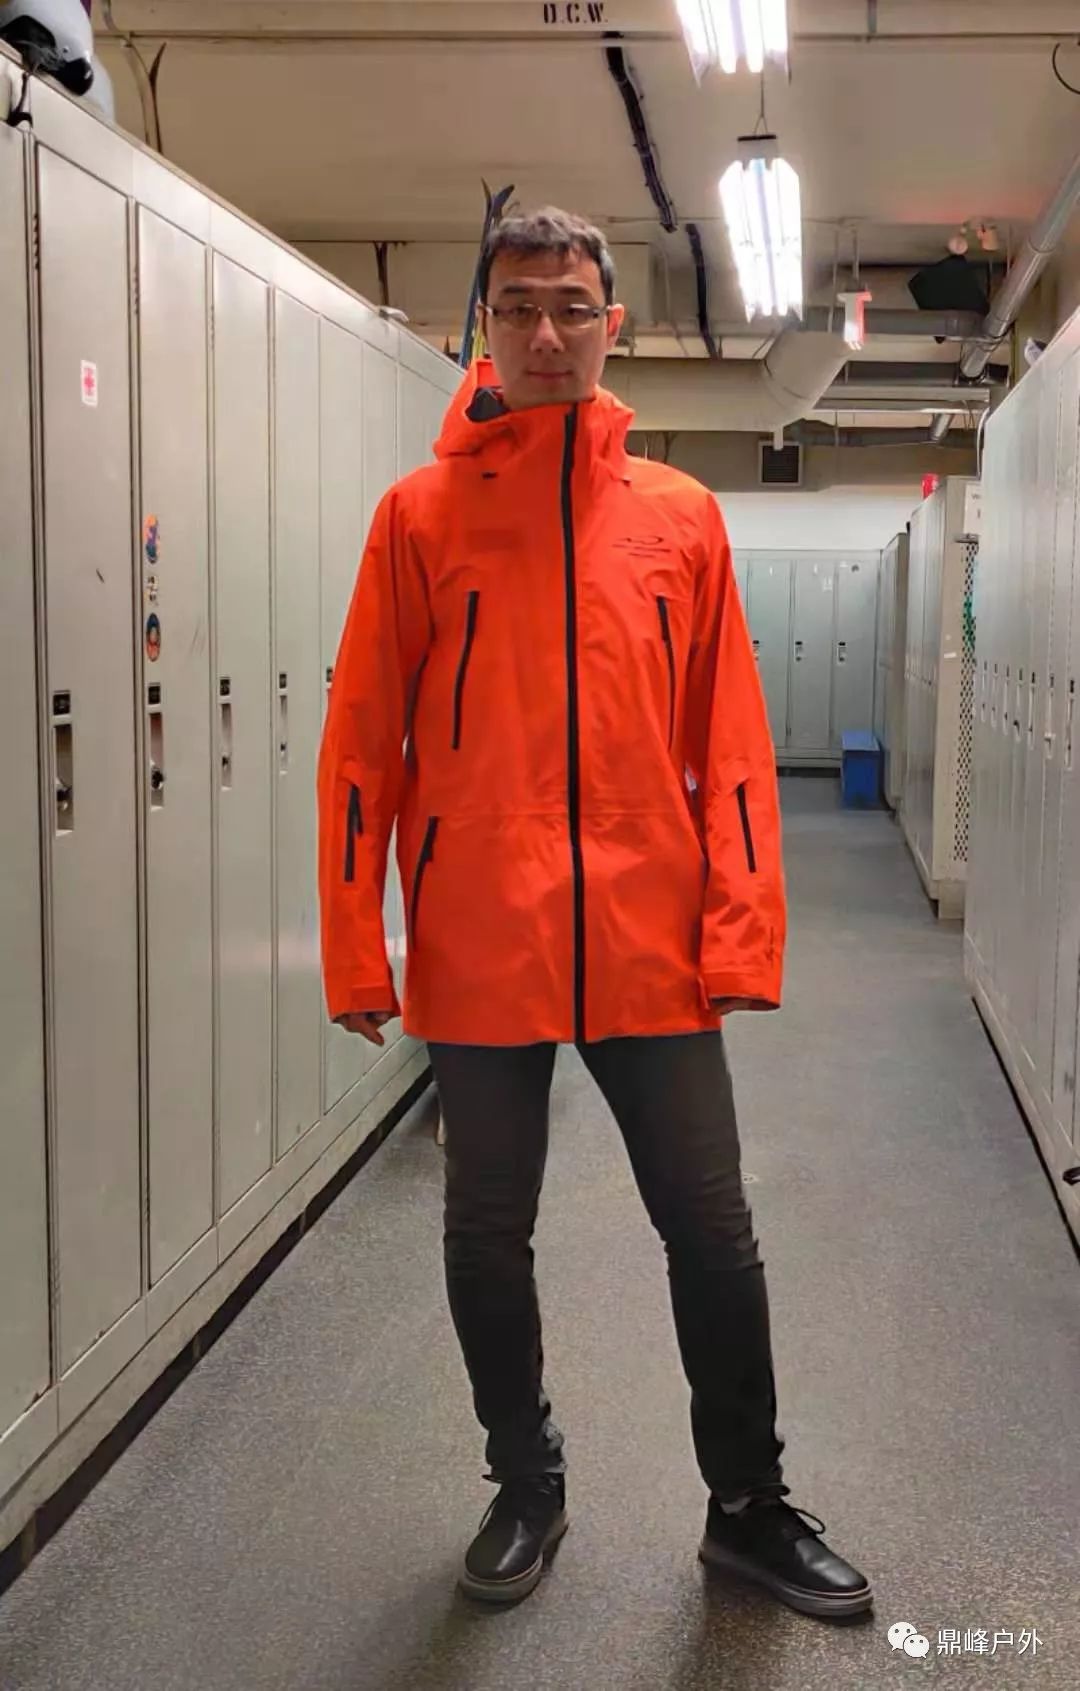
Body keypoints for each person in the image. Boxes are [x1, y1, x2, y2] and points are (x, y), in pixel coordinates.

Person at [317, 208, 872, 1618]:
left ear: (612, 325)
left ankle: (747, 1506)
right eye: (519, 307)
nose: (547, 333)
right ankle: (526, 1480)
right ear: (485, 329)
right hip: (480, 936)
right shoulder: (418, 518)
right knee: (483, 1231)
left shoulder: (680, 516)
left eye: (572, 306)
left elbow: (731, 742)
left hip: (647, 935)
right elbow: (362, 746)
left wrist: (740, 927)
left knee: (712, 1228)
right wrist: (355, 943)